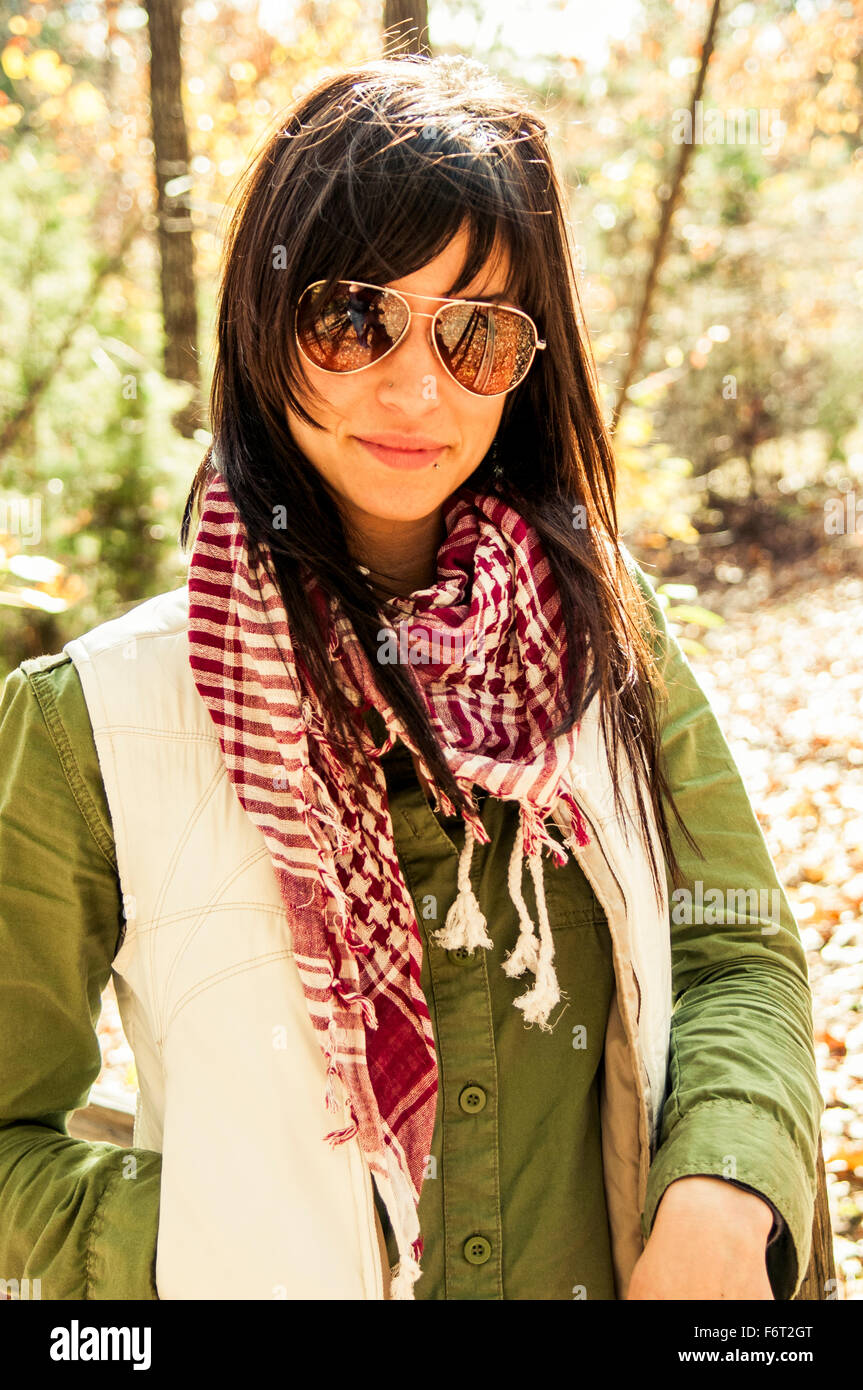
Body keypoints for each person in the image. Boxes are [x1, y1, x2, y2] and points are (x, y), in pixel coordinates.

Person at [0, 53, 822, 1301]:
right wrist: (188, 1247)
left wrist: (722, 1188)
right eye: (352, 316)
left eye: (475, 330)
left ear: (525, 360)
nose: (414, 385)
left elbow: (733, 952)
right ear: (263, 321)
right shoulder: (98, 720)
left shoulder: (608, 631)